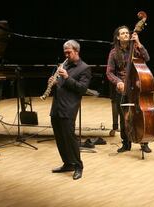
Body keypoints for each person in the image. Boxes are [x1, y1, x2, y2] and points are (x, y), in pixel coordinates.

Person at [49, 40, 91, 180]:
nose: (66, 55)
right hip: (57, 106)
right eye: (65, 52)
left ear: (76, 51)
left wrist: (66, 77)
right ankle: (67, 163)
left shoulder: (84, 68)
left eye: (69, 52)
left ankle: (78, 166)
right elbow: (60, 85)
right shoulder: (64, 64)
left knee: (70, 137)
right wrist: (54, 83)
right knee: (60, 138)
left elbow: (82, 88)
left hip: (69, 107)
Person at [106, 25, 152, 153]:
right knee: (124, 117)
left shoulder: (136, 49)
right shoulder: (114, 52)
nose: (126, 35)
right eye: (123, 33)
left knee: (141, 114)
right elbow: (109, 72)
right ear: (118, 37)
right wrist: (118, 82)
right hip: (123, 88)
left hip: (137, 87)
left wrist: (138, 42)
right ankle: (126, 143)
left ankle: (144, 142)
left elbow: (147, 58)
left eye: (127, 33)